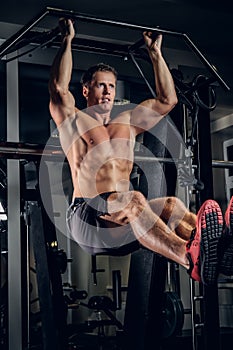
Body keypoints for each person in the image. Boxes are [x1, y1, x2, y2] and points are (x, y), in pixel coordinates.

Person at [48, 18, 232, 286]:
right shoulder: (74, 121)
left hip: (122, 218)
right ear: (86, 90)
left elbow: (167, 100)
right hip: (88, 216)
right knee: (134, 199)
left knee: (171, 206)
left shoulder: (127, 124)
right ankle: (189, 257)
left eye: (111, 85)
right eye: (101, 85)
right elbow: (58, 90)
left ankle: (223, 250)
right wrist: (67, 42)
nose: (108, 91)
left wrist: (155, 53)